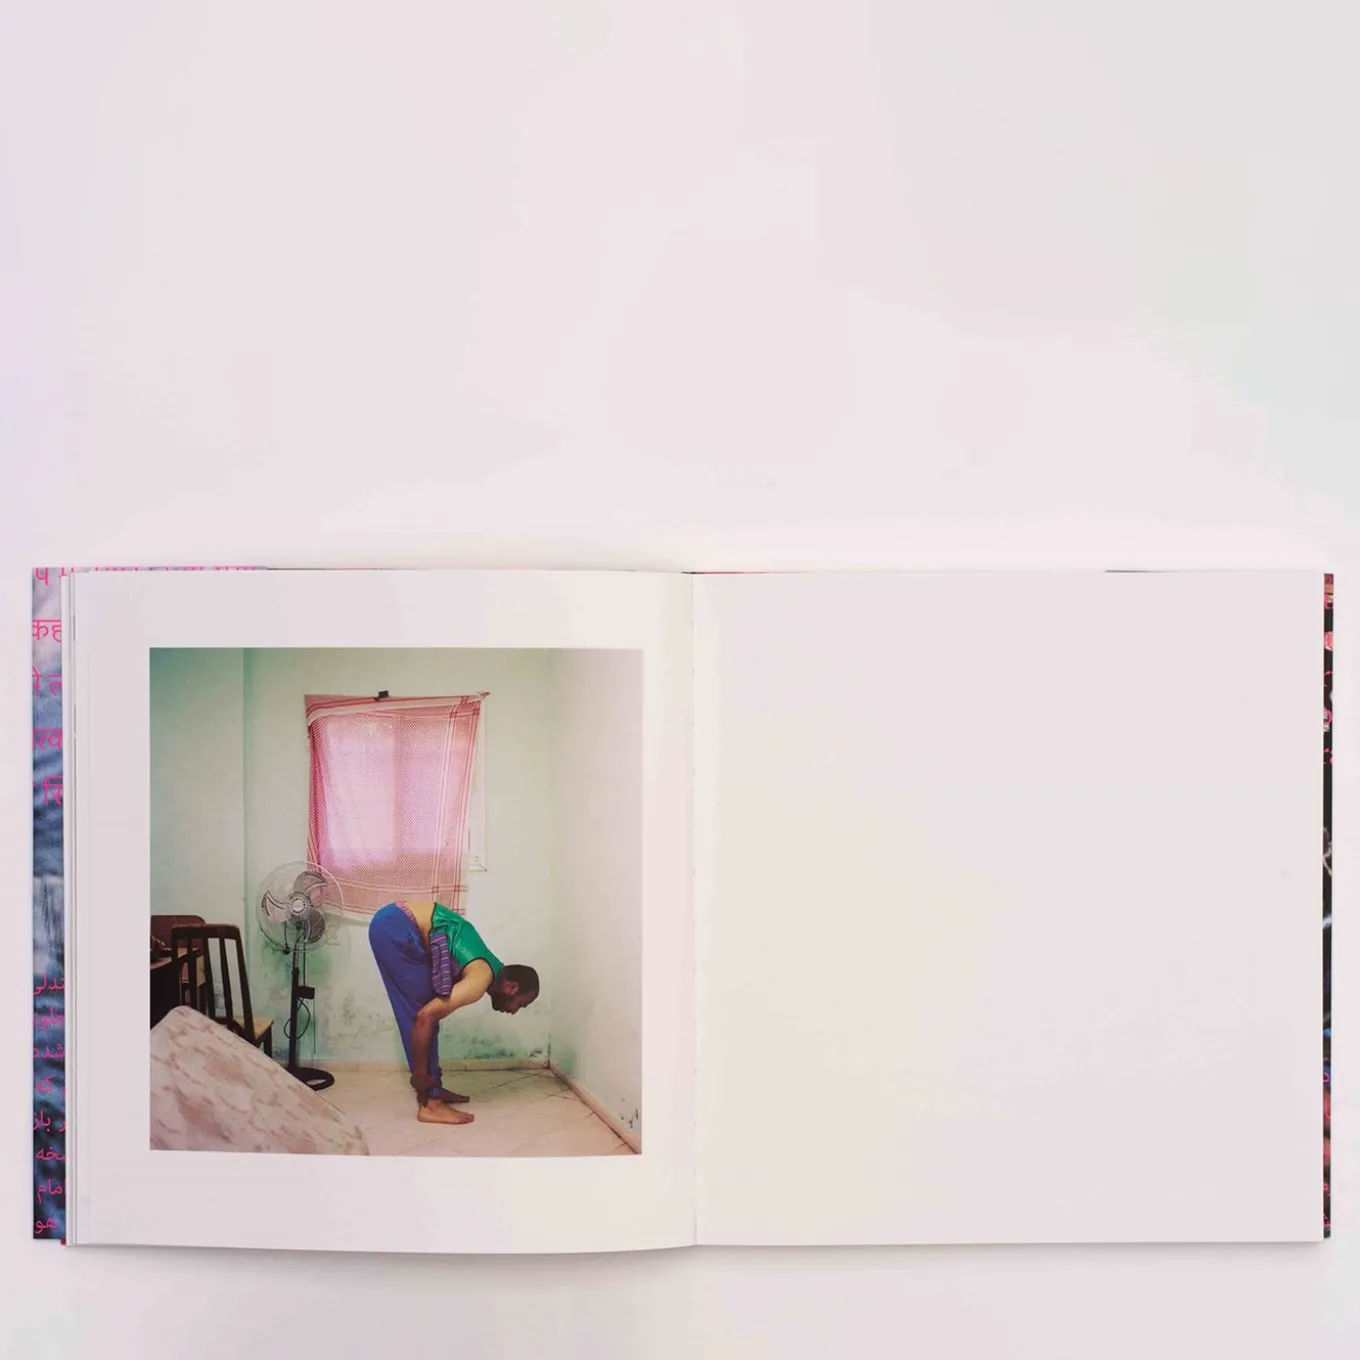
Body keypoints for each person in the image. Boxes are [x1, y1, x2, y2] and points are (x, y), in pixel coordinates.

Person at [367, 899, 539, 1126]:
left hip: (395, 921)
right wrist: (419, 1073)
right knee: (422, 1011)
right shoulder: (480, 979)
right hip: (396, 926)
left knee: (432, 1009)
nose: (514, 1011)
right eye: (520, 1004)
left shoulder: (487, 965)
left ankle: (434, 1089)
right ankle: (431, 1104)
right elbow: (424, 1017)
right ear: (512, 988)